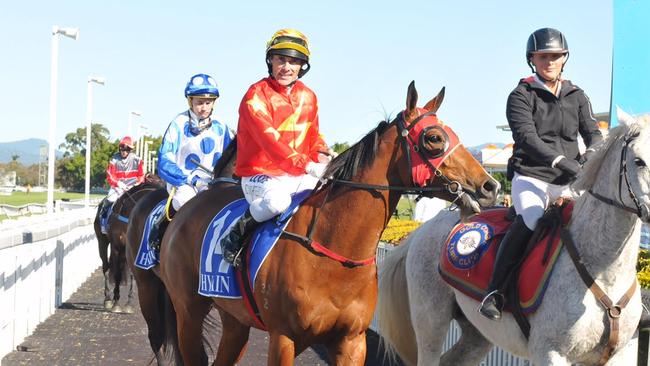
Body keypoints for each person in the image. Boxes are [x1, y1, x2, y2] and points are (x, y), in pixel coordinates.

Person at [478, 28, 603, 320]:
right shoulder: (521, 95)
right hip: (532, 177)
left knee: (600, 221)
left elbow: (594, 134)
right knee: (532, 218)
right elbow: (527, 138)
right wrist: (562, 161)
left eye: (555, 56)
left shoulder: (577, 94)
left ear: (564, 59)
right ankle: (495, 291)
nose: (550, 61)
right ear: (532, 59)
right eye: (543, 56)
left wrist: (590, 157)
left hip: (570, 180)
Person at [219, 28, 331, 267]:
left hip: (297, 175)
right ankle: (235, 236)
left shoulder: (309, 97)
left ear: (302, 66)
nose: (286, 67)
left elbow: (314, 137)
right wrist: (307, 165)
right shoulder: (255, 96)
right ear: (270, 60)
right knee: (277, 202)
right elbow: (270, 141)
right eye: (281, 59)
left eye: (293, 61)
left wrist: (323, 157)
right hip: (258, 175)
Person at [149, 73, 232, 248]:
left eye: (208, 102)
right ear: (190, 101)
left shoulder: (221, 126)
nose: (203, 107)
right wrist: (190, 179)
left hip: (212, 183)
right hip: (182, 181)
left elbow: (231, 157)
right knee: (185, 199)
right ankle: (160, 233)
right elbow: (164, 162)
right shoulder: (178, 123)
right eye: (199, 102)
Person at [99, 136, 145, 233]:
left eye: (127, 149)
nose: (124, 151)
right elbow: (109, 175)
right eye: (122, 149)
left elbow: (141, 176)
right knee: (109, 199)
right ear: (120, 148)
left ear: (130, 150)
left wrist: (135, 185)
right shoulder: (114, 160)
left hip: (133, 188)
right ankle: (104, 222)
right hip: (117, 187)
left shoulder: (137, 160)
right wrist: (118, 184)